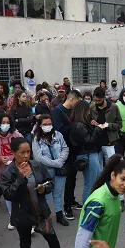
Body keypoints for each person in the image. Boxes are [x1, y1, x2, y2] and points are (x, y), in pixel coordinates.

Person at [0, 137, 74, 248]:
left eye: (28, 152)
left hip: (40, 210)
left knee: (52, 238)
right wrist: (20, 179)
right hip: (22, 215)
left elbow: (49, 183)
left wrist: (44, 188)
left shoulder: (37, 165)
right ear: (13, 153)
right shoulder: (8, 173)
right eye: (22, 152)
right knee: (25, 243)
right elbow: (8, 195)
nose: (26, 156)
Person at [32, 114, 70, 227]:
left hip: (59, 170)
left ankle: (59, 215)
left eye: (49, 124)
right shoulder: (36, 138)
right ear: (39, 125)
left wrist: (61, 160)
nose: (47, 126)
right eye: (45, 124)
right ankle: (45, 217)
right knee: (46, 195)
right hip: (45, 171)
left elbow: (65, 148)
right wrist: (56, 163)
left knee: (58, 193)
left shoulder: (58, 135)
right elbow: (38, 157)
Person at [52, 90, 83, 220]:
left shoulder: (74, 111)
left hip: (75, 148)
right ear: (71, 99)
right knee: (65, 178)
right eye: (77, 101)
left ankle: (71, 200)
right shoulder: (58, 111)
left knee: (73, 177)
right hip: (63, 150)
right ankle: (66, 207)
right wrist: (75, 126)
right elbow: (59, 130)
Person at [0, 111, 22, 221]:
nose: (6, 125)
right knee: (9, 195)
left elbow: (24, 148)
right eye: (3, 122)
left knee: (20, 192)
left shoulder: (16, 135)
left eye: (8, 122)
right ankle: (13, 216)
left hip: (17, 169)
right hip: (2, 171)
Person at [70, 101, 105, 203]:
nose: (89, 112)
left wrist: (94, 126)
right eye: (88, 110)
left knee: (96, 181)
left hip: (92, 153)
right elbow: (89, 141)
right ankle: (87, 207)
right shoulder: (79, 125)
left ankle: (93, 203)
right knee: (90, 183)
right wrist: (98, 129)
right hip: (88, 155)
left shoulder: (83, 124)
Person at [90, 87, 122, 164]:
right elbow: (88, 121)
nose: (97, 102)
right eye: (95, 100)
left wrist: (108, 125)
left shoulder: (114, 107)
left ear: (104, 98)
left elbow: (120, 124)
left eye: (99, 100)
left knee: (111, 166)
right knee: (98, 168)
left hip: (109, 142)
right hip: (97, 143)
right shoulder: (92, 107)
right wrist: (92, 122)